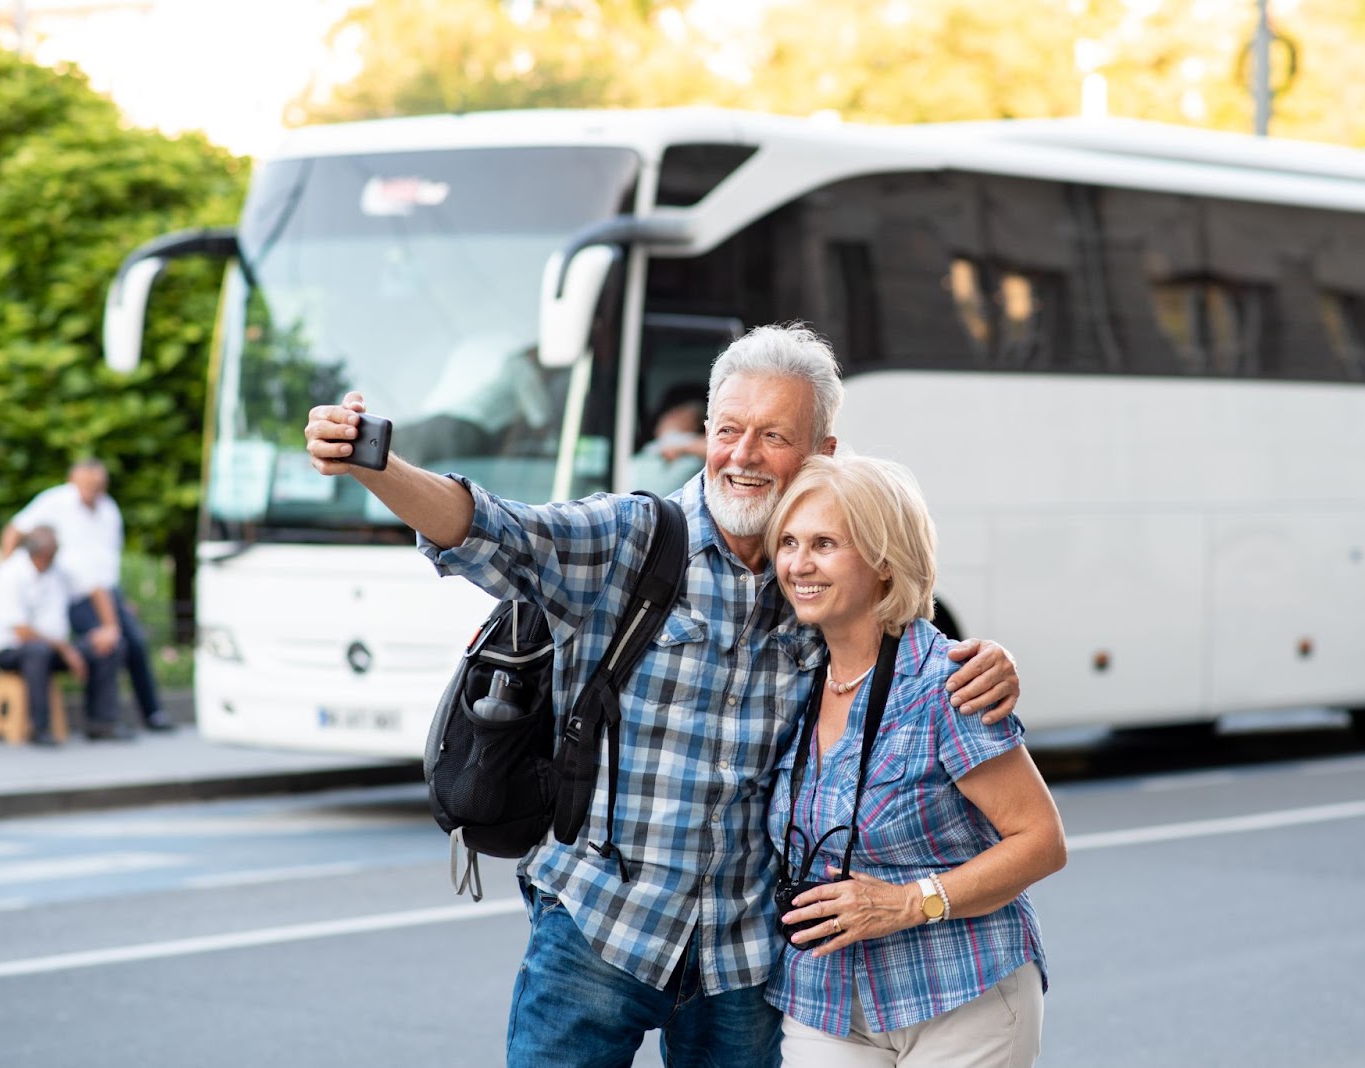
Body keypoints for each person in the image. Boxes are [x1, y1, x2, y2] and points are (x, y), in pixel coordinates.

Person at [303, 323, 1022, 1068]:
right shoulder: (630, 539)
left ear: (822, 454)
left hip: (742, 955)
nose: (742, 456)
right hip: (597, 925)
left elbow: (904, 645)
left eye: (773, 436)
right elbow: (492, 527)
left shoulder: (816, 576)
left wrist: (993, 661)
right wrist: (378, 467)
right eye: (728, 430)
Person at [765, 455, 1066, 1066]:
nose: (798, 564)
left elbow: (1042, 841)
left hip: (960, 991)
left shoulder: (947, 683)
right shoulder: (789, 675)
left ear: (883, 560)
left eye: (824, 543)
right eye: (789, 543)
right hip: (824, 997)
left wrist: (908, 903)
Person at [1, 459, 173, 733]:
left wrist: (120, 601)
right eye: (89, 485)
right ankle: (101, 720)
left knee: (135, 644)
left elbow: (109, 561)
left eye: (99, 485)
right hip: (77, 594)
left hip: (107, 592)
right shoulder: (55, 501)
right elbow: (15, 529)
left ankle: (151, 713)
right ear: (74, 481)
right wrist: (10, 574)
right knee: (105, 646)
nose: (95, 490)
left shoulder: (109, 509)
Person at [0, 526, 127, 745]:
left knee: (105, 647)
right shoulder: (10, 573)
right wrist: (66, 650)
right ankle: (39, 728)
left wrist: (109, 628)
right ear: (37, 552)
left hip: (55, 650)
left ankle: (101, 723)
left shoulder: (58, 571)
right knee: (37, 651)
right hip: (12, 651)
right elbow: (22, 632)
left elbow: (94, 587)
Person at [629, 393, 708, 495]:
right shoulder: (646, 452)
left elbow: (716, 447)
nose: (673, 418)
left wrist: (679, 444)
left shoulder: (693, 460)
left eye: (687, 416)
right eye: (674, 413)